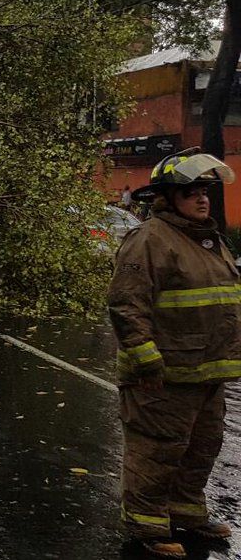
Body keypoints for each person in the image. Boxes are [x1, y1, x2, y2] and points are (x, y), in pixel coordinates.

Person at [108, 150, 241, 556]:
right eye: (190, 192)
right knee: (157, 450)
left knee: (202, 447)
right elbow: (127, 304)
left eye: (204, 191)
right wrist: (146, 359)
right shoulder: (149, 239)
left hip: (204, 372)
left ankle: (186, 513)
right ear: (166, 198)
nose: (201, 198)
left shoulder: (208, 240)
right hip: (162, 373)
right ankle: (146, 526)